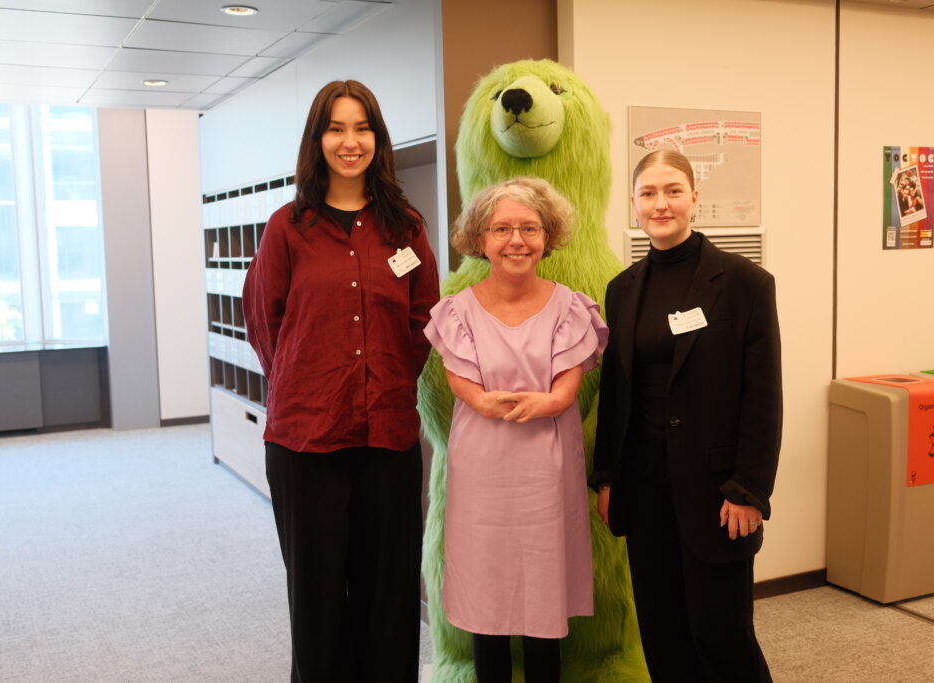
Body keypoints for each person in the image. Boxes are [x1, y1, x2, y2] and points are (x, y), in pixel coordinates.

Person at [242, 80, 439, 682]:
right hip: (307, 441)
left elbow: (423, 318)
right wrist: (310, 383)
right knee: (318, 594)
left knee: (389, 596)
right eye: (336, 128)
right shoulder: (287, 227)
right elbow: (263, 319)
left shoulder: (404, 229)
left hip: (389, 438)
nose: (350, 142)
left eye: (362, 128)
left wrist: (384, 378)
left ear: (378, 140)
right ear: (317, 139)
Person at [590, 149, 781, 682]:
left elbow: (763, 396)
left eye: (673, 190)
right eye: (648, 193)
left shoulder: (744, 283)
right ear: (634, 204)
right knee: (663, 632)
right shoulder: (623, 289)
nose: (661, 203)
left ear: (696, 199)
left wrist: (749, 488)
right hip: (645, 489)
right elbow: (616, 389)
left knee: (722, 637)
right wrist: (607, 477)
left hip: (717, 492)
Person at [424, 177, 607, 682]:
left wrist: (549, 401)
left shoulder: (571, 307)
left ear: (548, 236)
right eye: (501, 228)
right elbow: (464, 385)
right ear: (479, 239)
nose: (516, 240)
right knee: (485, 594)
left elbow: (566, 392)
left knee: (542, 594)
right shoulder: (456, 310)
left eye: (529, 228)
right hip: (482, 472)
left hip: (544, 474)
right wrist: (483, 399)